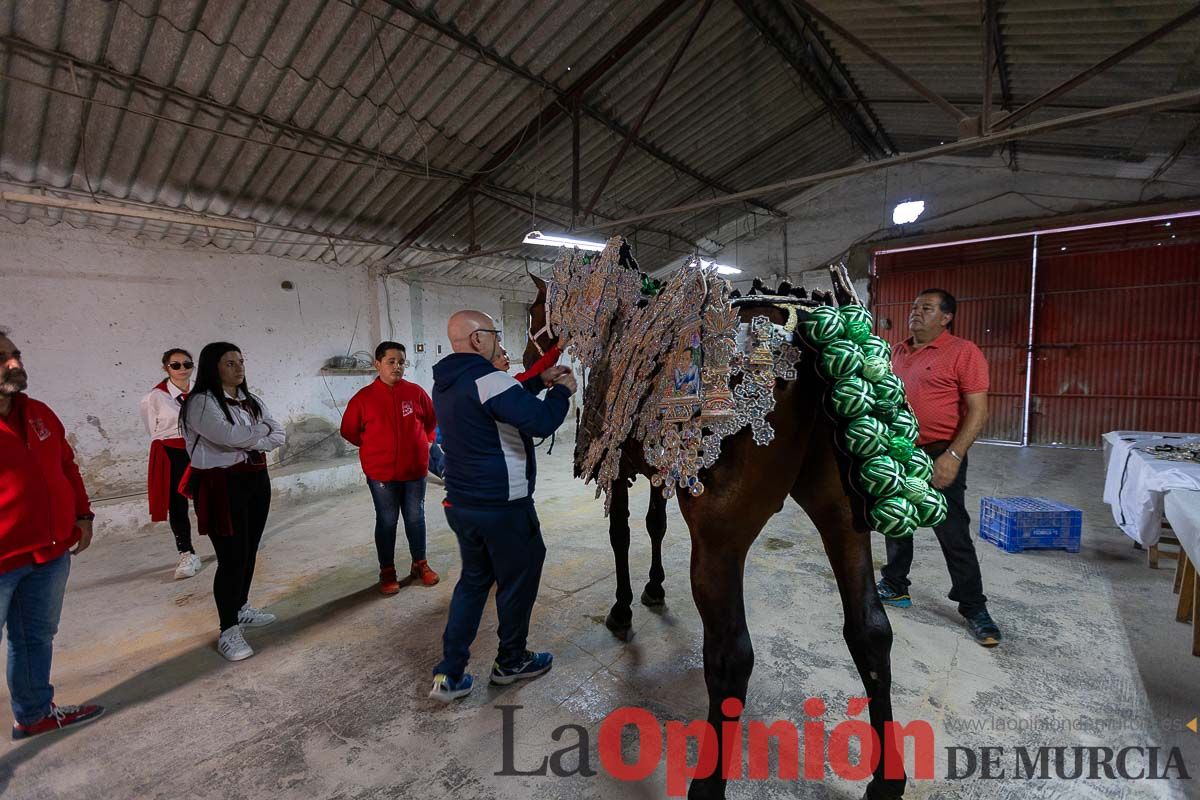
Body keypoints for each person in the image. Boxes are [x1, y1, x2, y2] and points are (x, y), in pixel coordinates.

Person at [428, 311, 575, 702]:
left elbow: (501, 402)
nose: (498, 340)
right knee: (517, 580)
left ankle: (449, 673)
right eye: (494, 333)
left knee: (473, 582)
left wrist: (539, 381)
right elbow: (540, 422)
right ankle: (512, 661)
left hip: (461, 503)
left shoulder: (446, 381)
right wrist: (561, 392)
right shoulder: (487, 378)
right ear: (478, 339)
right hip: (503, 506)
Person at [876, 290, 1002, 647]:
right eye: (914, 307)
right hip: (899, 452)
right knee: (896, 520)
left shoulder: (964, 352)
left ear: (946, 317)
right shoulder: (895, 351)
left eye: (926, 309)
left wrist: (954, 456)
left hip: (940, 453)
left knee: (951, 528)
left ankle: (973, 606)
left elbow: (978, 412)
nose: (915, 313)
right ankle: (895, 584)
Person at [0, 329, 105, 739]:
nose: (14, 364)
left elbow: (66, 466)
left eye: (15, 354)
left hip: (49, 554)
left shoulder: (38, 412)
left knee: (34, 638)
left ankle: (34, 714)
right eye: (2, 358)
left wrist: (83, 515)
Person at [180, 342, 285, 662]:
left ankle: (240, 607)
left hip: (255, 480)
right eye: (229, 363)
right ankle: (228, 629)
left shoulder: (250, 400)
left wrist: (257, 434)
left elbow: (279, 435)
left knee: (250, 548)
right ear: (213, 367)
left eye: (240, 361)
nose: (238, 368)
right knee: (231, 556)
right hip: (221, 485)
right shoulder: (201, 403)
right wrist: (259, 433)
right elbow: (230, 437)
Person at [340, 341, 439, 595]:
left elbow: (431, 421)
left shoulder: (416, 393)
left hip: (415, 470)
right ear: (378, 364)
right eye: (391, 361)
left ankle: (420, 564)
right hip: (381, 472)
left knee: (415, 517)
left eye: (401, 362)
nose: (397, 367)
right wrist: (377, 448)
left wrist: (427, 443)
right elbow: (349, 431)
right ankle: (387, 571)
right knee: (386, 520)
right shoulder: (363, 399)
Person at [141, 348, 202, 580]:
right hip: (172, 451)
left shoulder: (201, 390)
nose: (182, 369)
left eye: (187, 364)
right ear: (165, 367)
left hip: (200, 448)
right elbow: (152, 429)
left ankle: (225, 544)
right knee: (177, 505)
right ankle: (186, 552)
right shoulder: (154, 397)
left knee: (209, 497)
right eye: (175, 365)